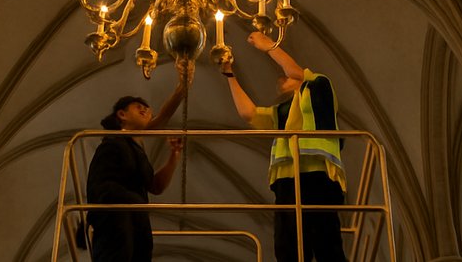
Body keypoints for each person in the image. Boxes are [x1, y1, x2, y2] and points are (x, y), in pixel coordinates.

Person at [220, 31, 347, 262]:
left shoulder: (319, 85)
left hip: (317, 174)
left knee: (325, 239)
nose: (282, 80)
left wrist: (268, 45)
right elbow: (248, 113)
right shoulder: (282, 113)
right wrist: (229, 74)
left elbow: (293, 70)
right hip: (287, 179)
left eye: (287, 78)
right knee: (288, 244)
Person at [85, 58, 194, 262]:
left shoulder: (136, 148)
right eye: (138, 107)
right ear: (122, 114)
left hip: (136, 221)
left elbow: (155, 186)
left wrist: (174, 155)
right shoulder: (113, 144)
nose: (145, 110)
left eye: (147, 108)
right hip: (116, 219)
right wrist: (180, 88)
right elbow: (100, 187)